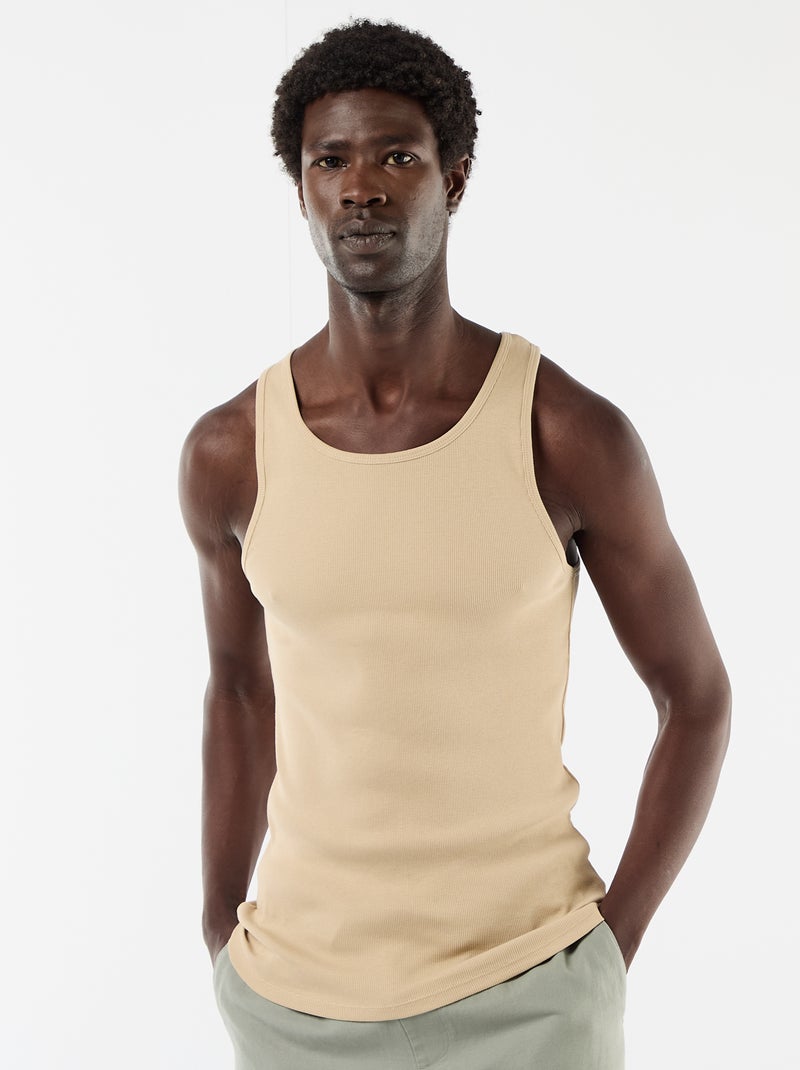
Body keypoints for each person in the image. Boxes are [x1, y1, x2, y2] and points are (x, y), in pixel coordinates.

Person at [179, 18, 731, 1070]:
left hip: (529, 993)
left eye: (397, 156)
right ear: (300, 189)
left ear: (455, 177)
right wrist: (218, 932)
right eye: (330, 162)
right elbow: (238, 691)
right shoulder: (231, 452)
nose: (360, 189)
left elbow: (695, 696)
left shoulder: (565, 433)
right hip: (292, 1002)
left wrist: (607, 953)